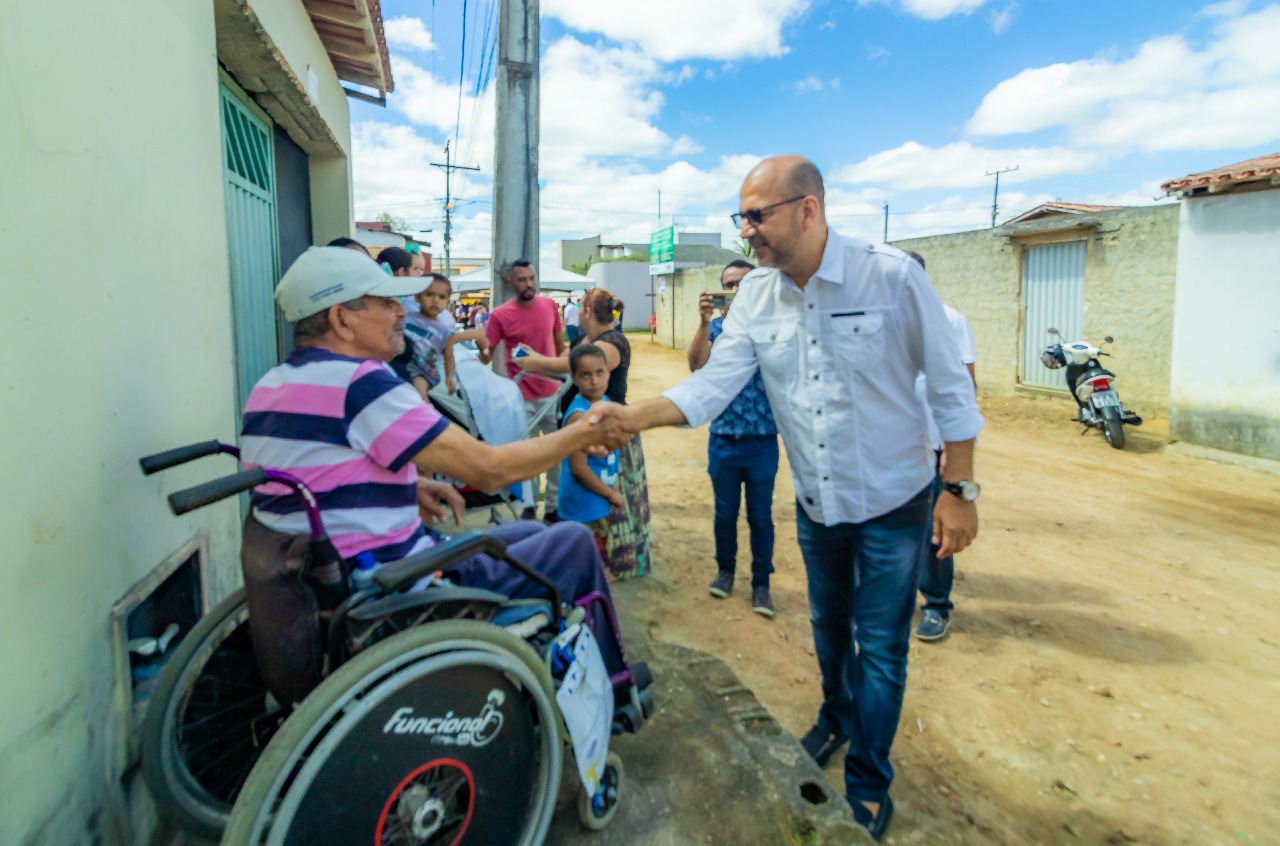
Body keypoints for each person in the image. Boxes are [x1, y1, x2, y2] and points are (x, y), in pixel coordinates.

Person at [591, 156, 982, 840]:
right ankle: (834, 717)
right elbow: (711, 388)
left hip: (896, 504)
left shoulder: (890, 276)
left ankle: (867, 781)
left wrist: (958, 489)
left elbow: (951, 388)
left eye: (757, 216)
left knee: (882, 647)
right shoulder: (759, 298)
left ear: (808, 209)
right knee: (829, 629)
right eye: (741, 217)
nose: (747, 233)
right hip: (818, 505)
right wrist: (633, 417)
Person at [242, 246, 630, 672]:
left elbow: (320, 478)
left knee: (526, 531)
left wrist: (409, 487)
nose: (402, 313)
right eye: (387, 303)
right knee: (572, 542)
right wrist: (582, 432)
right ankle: (614, 680)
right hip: (398, 587)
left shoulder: (271, 386)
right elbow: (490, 469)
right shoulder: (362, 383)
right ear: (341, 319)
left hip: (331, 577)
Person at [515, 288, 654, 579]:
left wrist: (538, 361)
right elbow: (569, 364)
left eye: (580, 307)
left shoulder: (612, 342)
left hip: (610, 430)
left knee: (613, 507)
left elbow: (576, 364)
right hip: (587, 435)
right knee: (595, 518)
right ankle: (598, 573)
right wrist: (536, 360)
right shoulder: (582, 341)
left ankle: (616, 567)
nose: (593, 378)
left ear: (587, 310)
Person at [687, 259, 780, 618]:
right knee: (725, 513)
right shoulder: (717, 329)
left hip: (762, 439)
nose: (736, 290)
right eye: (730, 284)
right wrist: (703, 322)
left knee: (761, 516)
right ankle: (725, 572)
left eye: (743, 283)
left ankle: (761, 585)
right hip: (724, 437)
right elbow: (696, 366)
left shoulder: (775, 328)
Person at [902, 251, 978, 642]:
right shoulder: (876, 320)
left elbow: (965, 388)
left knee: (935, 530)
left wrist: (956, 451)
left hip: (931, 445)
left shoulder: (949, 320)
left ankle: (935, 604)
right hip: (890, 448)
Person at [484, 260, 568, 522]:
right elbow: (487, 352)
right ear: (511, 282)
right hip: (521, 395)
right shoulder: (500, 315)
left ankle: (553, 507)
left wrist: (564, 364)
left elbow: (560, 345)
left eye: (532, 278)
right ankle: (529, 506)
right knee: (528, 456)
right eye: (522, 279)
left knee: (556, 453)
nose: (529, 284)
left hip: (553, 393)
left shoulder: (549, 306)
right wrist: (476, 348)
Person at [556, 344, 623, 560]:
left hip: (598, 497)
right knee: (587, 562)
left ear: (608, 373)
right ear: (574, 378)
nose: (594, 381)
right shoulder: (579, 416)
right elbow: (578, 468)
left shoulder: (605, 403)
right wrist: (610, 493)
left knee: (597, 558)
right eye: (585, 375)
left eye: (599, 373)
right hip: (583, 503)